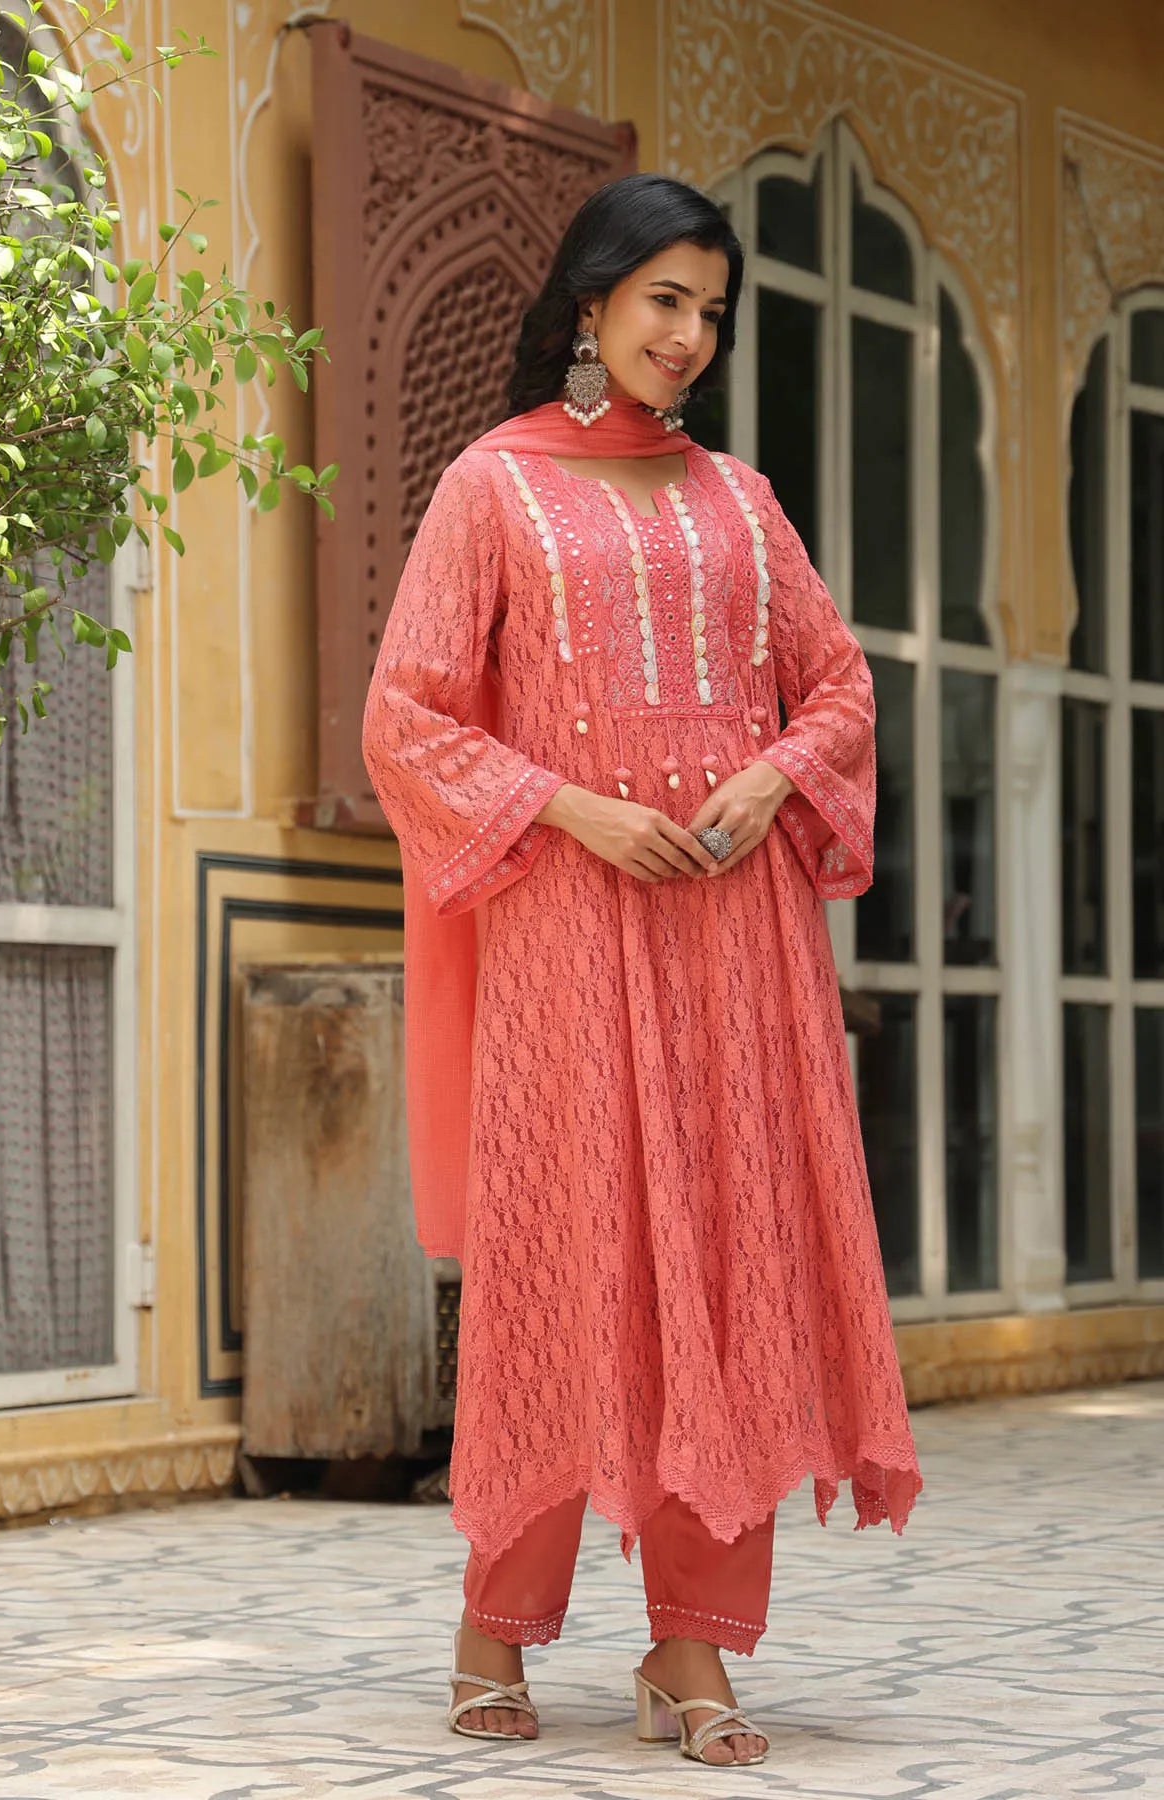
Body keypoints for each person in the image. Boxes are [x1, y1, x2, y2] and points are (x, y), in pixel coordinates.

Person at [361, 172, 921, 1770]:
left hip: (736, 947)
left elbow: (838, 686)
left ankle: (692, 1647)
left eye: (712, 312)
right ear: (593, 303)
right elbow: (407, 717)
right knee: (566, 1259)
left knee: (730, 1267)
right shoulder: (494, 487)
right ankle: (496, 1627)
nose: (689, 336)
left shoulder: (742, 502)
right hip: (569, 931)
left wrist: (769, 777)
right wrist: (576, 809)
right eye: (665, 300)